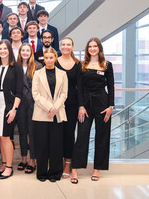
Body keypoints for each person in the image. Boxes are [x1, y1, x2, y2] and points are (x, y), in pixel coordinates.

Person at [71, 37, 115, 184]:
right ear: (87, 49)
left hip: (102, 104)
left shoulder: (107, 65)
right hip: (86, 105)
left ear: (99, 48)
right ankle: (75, 168)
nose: (92, 49)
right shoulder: (82, 65)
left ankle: (97, 169)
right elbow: (79, 87)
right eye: (90, 46)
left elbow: (111, 87)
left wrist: (111, 106)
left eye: (95, 46)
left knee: (102, 137)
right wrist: (81, 106)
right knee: (82, 136)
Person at [32, 48, 68, 182]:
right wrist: (49, 107)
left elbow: (64, 94)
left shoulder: (63, 74)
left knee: (56, 145)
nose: (48, 60)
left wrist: (55, 107)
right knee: (41, 145)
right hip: (42, 113)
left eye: (51, 58)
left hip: (57, 113)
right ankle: (41, 173)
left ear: (55, 58)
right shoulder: (37, 73)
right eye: (46, 58)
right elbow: (35, 94)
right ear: (43, 59)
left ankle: (55, 173)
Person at [0, 40, 23, 180]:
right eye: (0, 49)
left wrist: (14, 109)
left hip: (8, 106)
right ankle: (4, 163)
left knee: (6, 136)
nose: (2, 51)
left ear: (9, 50)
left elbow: (19, 91)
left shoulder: (16, 67)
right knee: (0, 135)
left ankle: (10, 167)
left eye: (5, 48)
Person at [55, 37, 82, 179]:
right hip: (56, 104)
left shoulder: (78, 64)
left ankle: (68, 163)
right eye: (63, 44)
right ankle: (56, 162)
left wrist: (81, 106)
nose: (65, 47)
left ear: (72, 46)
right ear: (60, 46)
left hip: (72, 104)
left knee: (69, 134)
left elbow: (81, 87)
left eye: (68, 44)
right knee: (57, 133)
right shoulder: (54, 61)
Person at [16, 44, 42, 174]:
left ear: (31, 52)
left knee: (32, 133)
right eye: (23, 50)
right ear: (20, 52)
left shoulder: (38, 66)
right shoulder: (15, 66)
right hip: (20, 104)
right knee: (22, 132)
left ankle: (33, 160)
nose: (25, 52)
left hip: (34, 103)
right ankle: (24, 158)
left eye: (27, 50)